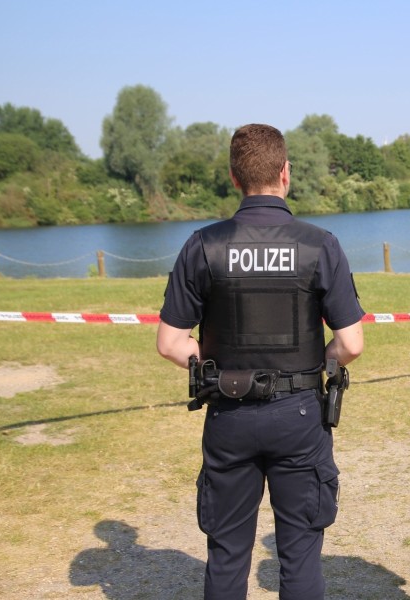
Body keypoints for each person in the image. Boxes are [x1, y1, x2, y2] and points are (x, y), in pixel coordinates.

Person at [156, 123, 364, 600]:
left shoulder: (203, 245)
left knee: (227, 554)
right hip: (299, 416)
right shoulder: (319, 244)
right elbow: (351, 343)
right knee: (299, 553)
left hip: (228, 414)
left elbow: (170, 343)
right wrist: (318, 363)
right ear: (285, 173)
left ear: (234, 178)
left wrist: (217, 369)